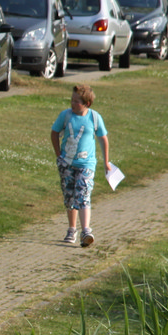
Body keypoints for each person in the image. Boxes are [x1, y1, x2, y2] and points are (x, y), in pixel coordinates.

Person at [51, 84, 112, 248]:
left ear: (87, 103)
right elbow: (54, 133)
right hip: (67, 163)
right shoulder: (65, 115)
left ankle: (86, 231)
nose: (72, 103)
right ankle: (72, 229)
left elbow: (103, 139)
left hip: (86, 164)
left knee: (83, 194)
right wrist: (59, 155)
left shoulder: (94, 117)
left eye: (76, 101)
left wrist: (106, 162)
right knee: (69, 196)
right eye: (72, 100)